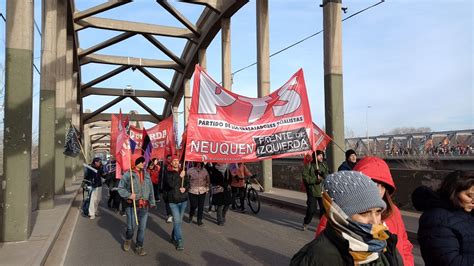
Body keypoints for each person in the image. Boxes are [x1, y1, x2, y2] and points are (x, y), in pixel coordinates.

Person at [315, 156, 414, 266]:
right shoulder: (336, 216)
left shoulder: (393, 212)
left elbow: (404, 245)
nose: (377, 191)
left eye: (382, 186)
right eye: (372, 183)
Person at [291, 171, 402, 265]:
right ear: (340, 215)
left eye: (378, 212)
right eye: (364, 213)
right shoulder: (316, 258)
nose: (374, 221)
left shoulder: (385, 243)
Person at [412, 170, 474, 266]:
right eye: (469, 196)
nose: (473, 201)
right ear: (453, 192)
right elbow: (450, 262)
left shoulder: (466, 213)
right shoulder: (436, 219)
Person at [117, 156, 156, 256]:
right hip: (132, 205)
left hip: (144, 206)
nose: (144, 164)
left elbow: (150, 188)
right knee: (131, 227)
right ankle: (128, 239)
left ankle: (139, 246)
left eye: (144, 162)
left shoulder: (147, 174)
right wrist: (129, 195)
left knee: (142, 228)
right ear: (136, 163)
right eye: (142, 162)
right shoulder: (128, 174)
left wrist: (152, 201)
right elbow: (120, 188)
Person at [164, 155, 189, 251]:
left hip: (183, 200)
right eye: (173, 161)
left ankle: (173, 236)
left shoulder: (182, 171)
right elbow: (171, 184)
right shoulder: (168, 172)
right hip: (173, 201)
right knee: (177, 221)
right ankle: (179, 241)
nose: (175, 162)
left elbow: (187, 183)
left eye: (177, 161)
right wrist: (179, 176)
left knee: (178, 222)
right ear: (171, 162)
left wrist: (185, 188)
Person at [302, 150, 329, 231]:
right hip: (312, 191)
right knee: (311, 210)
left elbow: (328, 176)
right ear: (315, 157)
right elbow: (305, 178)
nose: (322, 157)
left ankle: (322, 226)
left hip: (323, 191)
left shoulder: (324, 165)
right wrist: (315, 180)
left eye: (322, 155)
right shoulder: (309, 166)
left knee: (323, 211)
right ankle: (306, 222)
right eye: (319, 155)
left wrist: (322, 174)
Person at [160, 155, 173, 223]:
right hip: (166, 188)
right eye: (168, 159)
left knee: (172, 202)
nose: (170, 160)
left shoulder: (175, 167)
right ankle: (169, 214)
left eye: (171, 159)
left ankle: (171, 214)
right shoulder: (163, 167)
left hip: (173, 189)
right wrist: (161, 188)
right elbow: (161, 177)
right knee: (167, 202)